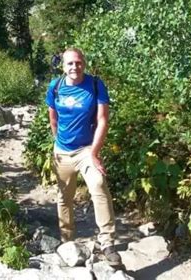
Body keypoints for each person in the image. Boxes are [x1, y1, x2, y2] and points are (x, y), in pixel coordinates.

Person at [46, 47, 123, 268]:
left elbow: (103, 121)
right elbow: (53, 119)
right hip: (62, 151)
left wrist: (95, 153)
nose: (74, 67)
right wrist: (57, 145)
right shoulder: (55, 87)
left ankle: (107, 243)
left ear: (84, 64)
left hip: (87, 150)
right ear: (63, 66)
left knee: (99, 184)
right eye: (70, 63)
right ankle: (67, 241)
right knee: (64, 196)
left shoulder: (96, 85)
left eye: (78, 62)